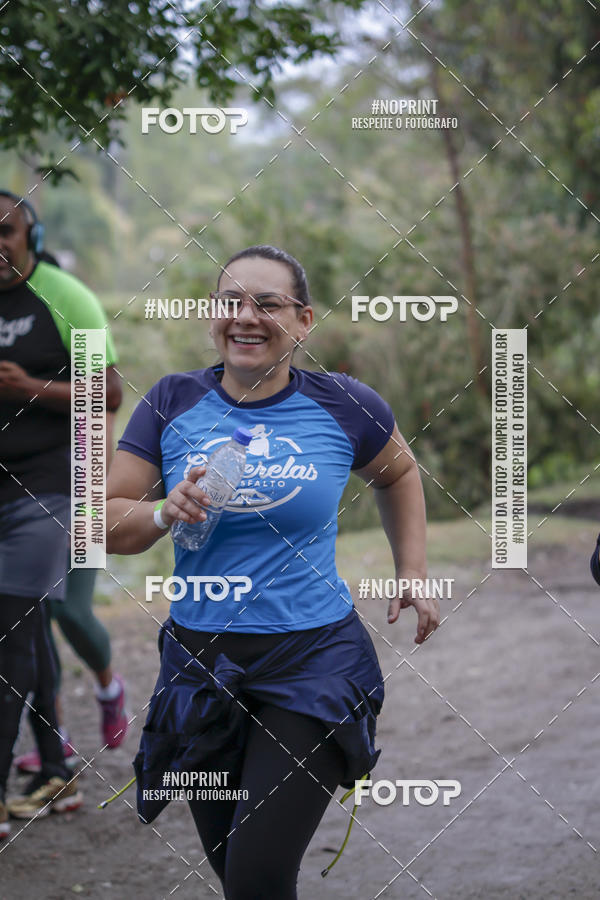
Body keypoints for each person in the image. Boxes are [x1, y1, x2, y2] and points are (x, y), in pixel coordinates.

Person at [106, 245, 439, 898]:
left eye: (267, 303)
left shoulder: (345, 404)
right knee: (235, 872)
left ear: (305, 321)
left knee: (258, 876)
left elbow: (399, 473)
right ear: (212, 316)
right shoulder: (172, 400)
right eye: (230, 302)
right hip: (201, 665)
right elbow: (106, 521)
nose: (245, 317)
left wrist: (415, 570)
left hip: (312, 661)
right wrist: (161, 514)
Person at [0, 191, 122, 831]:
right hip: (13, 491)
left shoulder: (67, 298)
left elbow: (110, 393)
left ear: (32, 237)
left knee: (62, 613)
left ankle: (107, 689)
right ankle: (53, 758)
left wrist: (28, 388)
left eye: (7, 231)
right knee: (28, 623)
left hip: (72, 482)